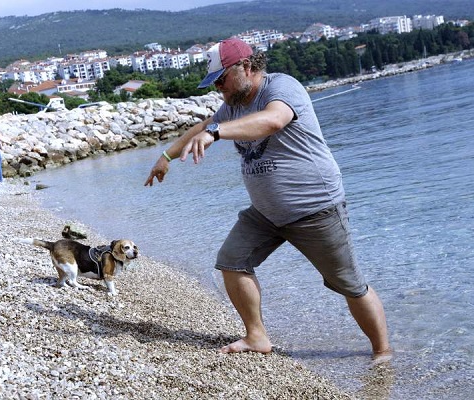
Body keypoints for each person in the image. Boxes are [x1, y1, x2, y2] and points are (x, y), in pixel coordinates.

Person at [144, 38, 392, 361]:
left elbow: (273, 120)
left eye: (222, 79)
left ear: (246, 66)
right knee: (231, 260)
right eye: (214, 83)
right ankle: (257, 336)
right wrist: (166, 156)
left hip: (314, 209)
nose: (219, 88)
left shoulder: (282, 88)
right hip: (266, 214)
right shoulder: (232, 104)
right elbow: (204, 126)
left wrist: (217, 133)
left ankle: (383, 353)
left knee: (349, 284)